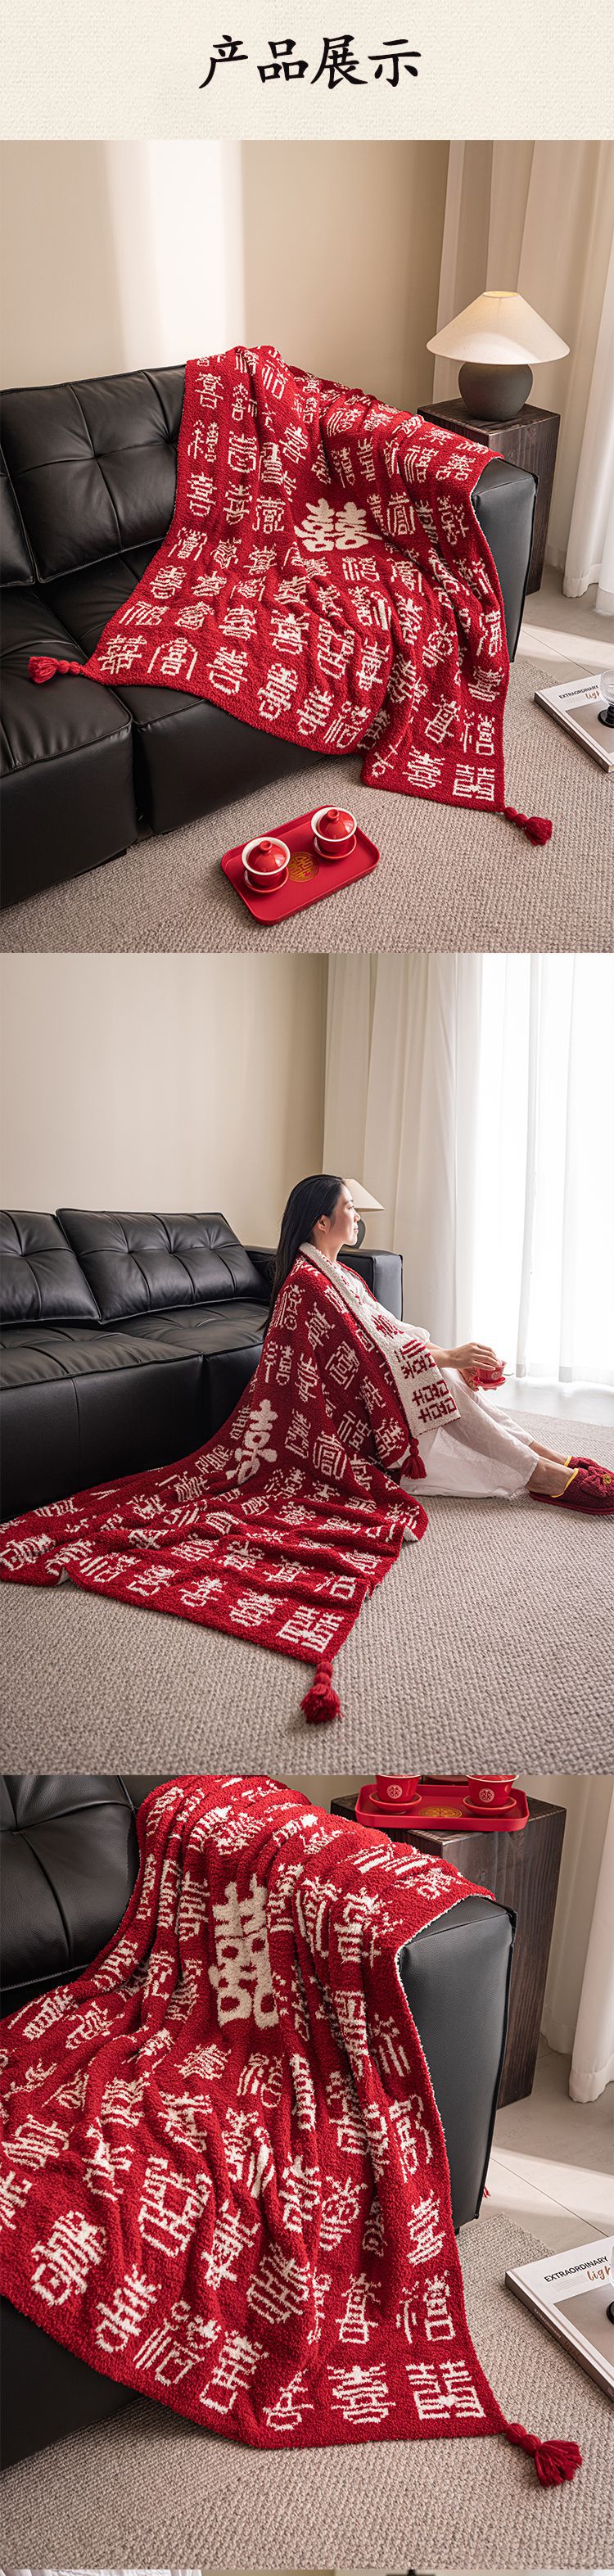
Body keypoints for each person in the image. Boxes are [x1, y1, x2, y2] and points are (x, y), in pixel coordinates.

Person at [269, 1175, 613, 1516]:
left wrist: (452, 1356)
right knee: (435, 1375)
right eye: (350, 1207)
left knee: (441, 1370)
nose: (357, 1216)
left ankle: (545, 1457)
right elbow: (365, 1353)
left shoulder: (339, 1273)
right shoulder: (308, 1282)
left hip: (369, 1385)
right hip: (346, 1410)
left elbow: (391, 1331)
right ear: (323, 1222)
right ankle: (541, 1474)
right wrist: (446, 1358)